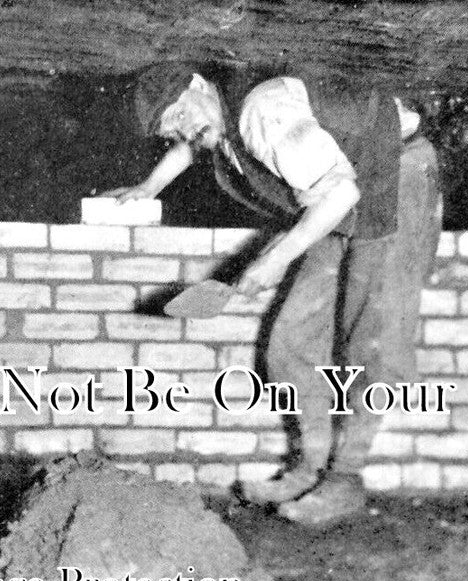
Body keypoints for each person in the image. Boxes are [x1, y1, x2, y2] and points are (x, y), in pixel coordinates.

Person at [108, 65, 440, 526]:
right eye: (171, 128)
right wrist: (149, 187)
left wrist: (272, 260)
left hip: (395, 176)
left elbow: (340, 192)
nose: (184, 130)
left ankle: (344, 479)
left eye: (181, 113)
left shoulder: (263, 112)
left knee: (371, 338)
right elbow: (192, 144)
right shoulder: (213, 119)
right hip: (339, 192)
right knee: (291, 339)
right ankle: (310, 468)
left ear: (199, 86)